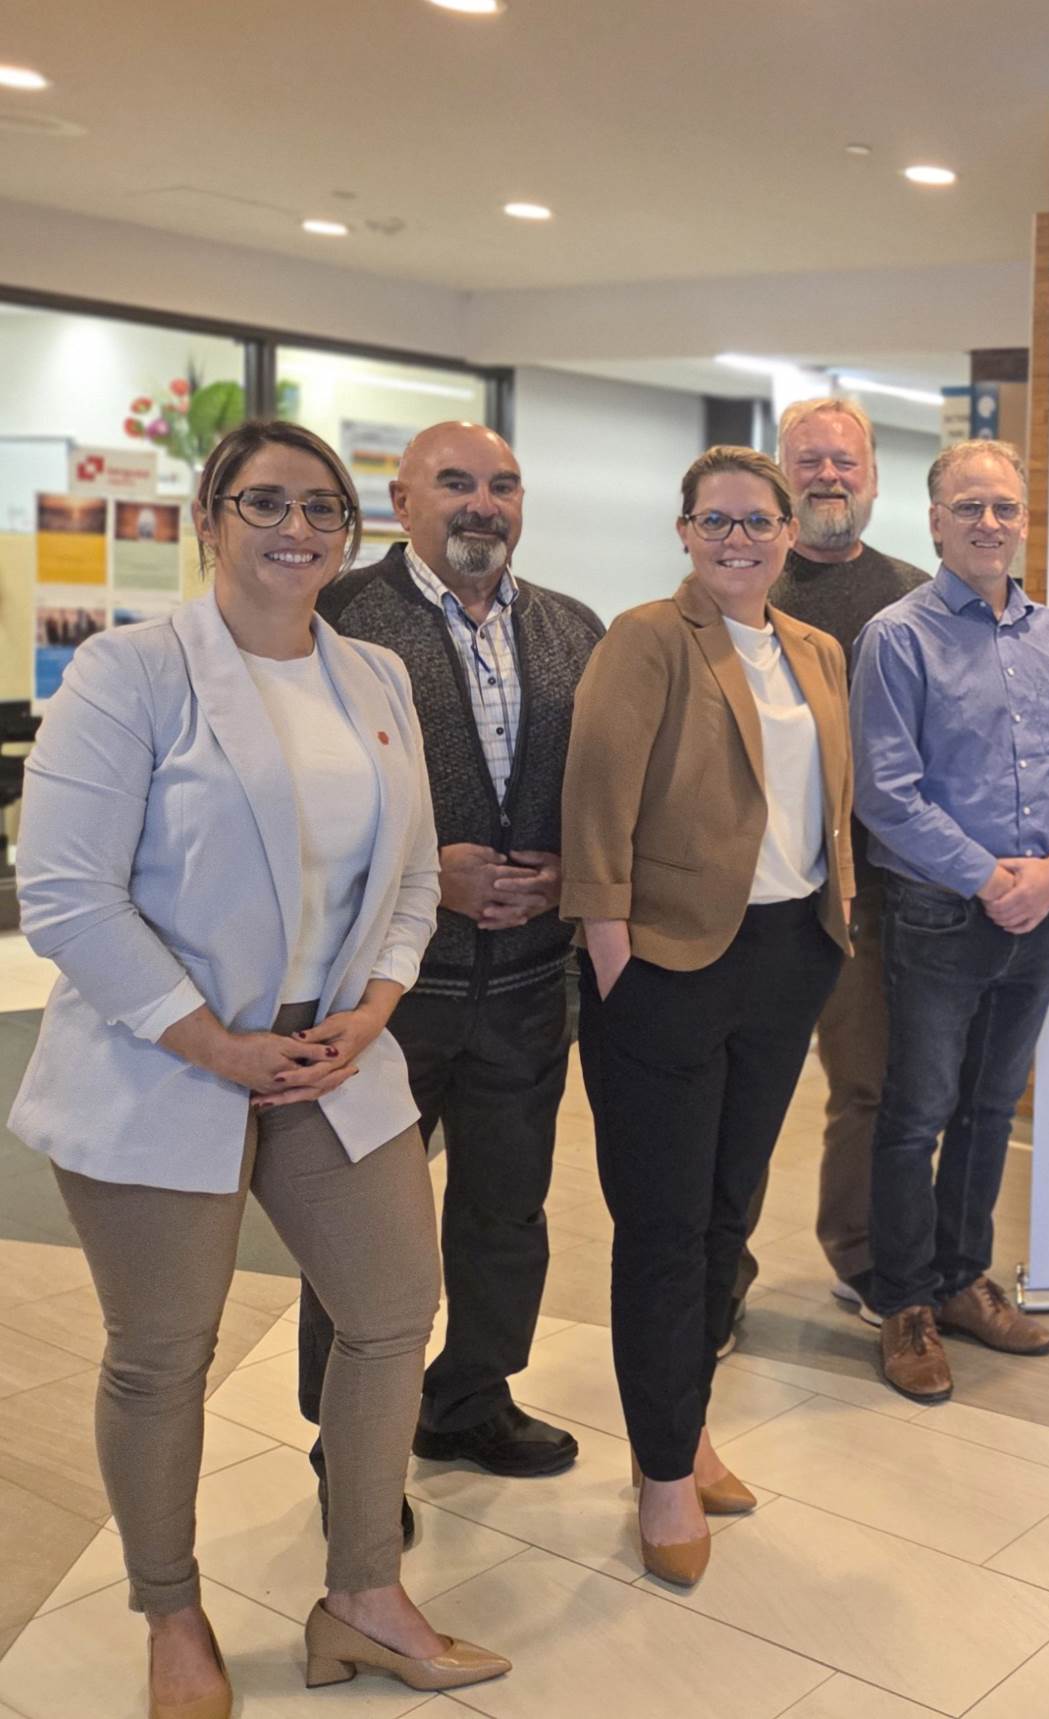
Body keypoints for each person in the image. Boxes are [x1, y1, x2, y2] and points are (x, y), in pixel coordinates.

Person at [10, 420, 509, 1714]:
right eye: (266, 501)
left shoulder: (373, 674)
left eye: (323, 507)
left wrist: (377, 1004)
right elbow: (63, 893)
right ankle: (170, 1609)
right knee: (163, 1351)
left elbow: (413, 874)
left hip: (332, 1050)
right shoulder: (131, 672)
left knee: (392, 1309)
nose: (299, 527)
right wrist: (211, 1040)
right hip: (162, 1054)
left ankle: (362, 1595)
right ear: (208, 519)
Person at [562, 446, 853, 1587]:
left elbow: (829, 802)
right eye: (716, 521)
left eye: (757, 521)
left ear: (788, 533)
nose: (739, 539)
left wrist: (835, 920)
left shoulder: (817, 649)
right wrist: (611, 950)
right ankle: (661, 1473)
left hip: (785, 957)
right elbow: (596, 796)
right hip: (667, 963)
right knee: (664, 1228)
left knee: (728, 1219)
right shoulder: (647, 639)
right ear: (684, 532)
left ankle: (683, 1431)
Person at [297, 422, 600, 1496]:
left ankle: (469, 1400)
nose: (484, 503)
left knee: (504, 1213)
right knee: (359, 1233)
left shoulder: (571, 628)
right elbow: (303, 796)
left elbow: (602, 788)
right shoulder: (337, 618)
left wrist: (571, 875)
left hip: (527, 987)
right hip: (388, 996)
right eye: (457, 482)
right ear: (402, 500)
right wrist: (431, 871)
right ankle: (350, 1448)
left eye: (503, 485)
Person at [852, 438, 1049, 1404]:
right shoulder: (898, 637)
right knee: (916, 1114)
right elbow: (887, 791)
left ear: (1024, 520)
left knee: (992, 1110)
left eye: (1003, 507)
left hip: (1040, 913)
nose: (988, 523)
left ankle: (962, 1281)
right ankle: (905, 1304)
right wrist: (991, 878)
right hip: (938, 914)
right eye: (969, 507)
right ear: (935, 521)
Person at [724, 395, 929, 1353]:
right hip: (755, 892)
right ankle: (720, 1279)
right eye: (807, 461)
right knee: (741, 1095)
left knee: (869, 1088)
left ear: (874, 477)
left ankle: (861, 1254)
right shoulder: (739, 586)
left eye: (845, 461)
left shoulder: (916, 597)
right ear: (781, 475)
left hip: (871, 894)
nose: (828, 476)